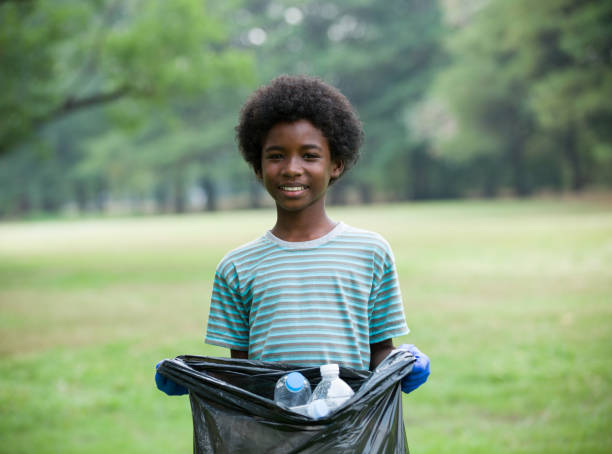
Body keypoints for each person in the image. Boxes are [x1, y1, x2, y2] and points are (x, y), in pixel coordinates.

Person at [155, 74, 430, 396]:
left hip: (348, 434)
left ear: (336, 164)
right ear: (258, 167)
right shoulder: (237, 267)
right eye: (276, 156)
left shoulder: (370, 251)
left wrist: (402, 361)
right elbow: (243, 373)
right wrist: (195, 379)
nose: (291, 168)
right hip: (271, 435)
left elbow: (379, 350)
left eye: (310, 155)